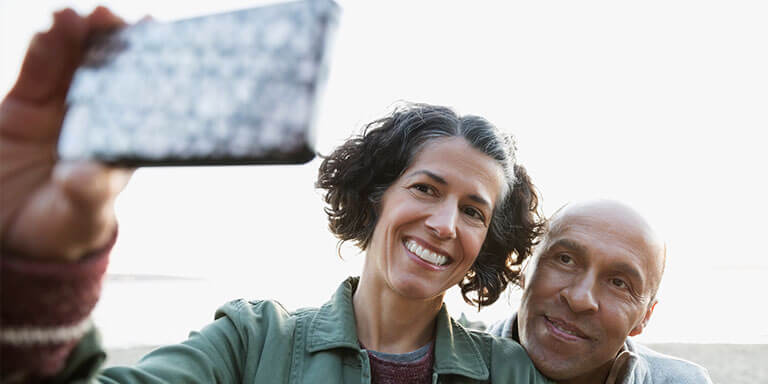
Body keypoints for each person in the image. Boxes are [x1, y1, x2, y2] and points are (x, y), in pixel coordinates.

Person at [0, 7, 551, 383]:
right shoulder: (252, 340)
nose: (444, 223)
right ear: (377, 195)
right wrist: (38, 274)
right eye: (425, 189)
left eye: (473, 211)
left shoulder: (511, 371)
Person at [487, 199, 713, 384]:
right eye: (565, 260)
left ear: (644, 317)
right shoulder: (455, 372)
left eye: (618, 283)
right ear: (524, 269)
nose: (579, 299)